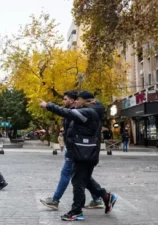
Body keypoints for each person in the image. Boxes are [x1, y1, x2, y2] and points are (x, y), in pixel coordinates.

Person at [40, 91, 117, 221]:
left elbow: (68, 113)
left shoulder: (88, 112)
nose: (76, 101)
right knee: (84, 179)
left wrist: (48, 105)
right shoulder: (89, 110)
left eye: (78, 100)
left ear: (87, 100)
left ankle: (76, 211)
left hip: (84, 153)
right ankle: (106, 197)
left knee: (78, 182)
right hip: (84, 152)